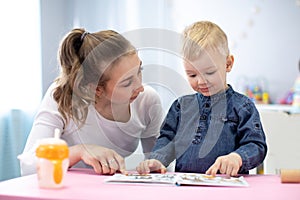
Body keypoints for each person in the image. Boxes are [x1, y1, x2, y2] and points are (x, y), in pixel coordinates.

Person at [19, 28, 164, 176]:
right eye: (127, 83)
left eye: (139, 70)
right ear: (96, 89)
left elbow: (159, 162)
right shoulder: (62, 96)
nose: (140, 87)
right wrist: (79, 151)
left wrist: (157, 164)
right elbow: (28, 166)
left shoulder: (147, 101)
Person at [136, 21, 267, 177]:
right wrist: (158, 160)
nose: (201, 81)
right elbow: (168, 139)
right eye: (192, 75)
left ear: (228, 64)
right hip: (185, 185)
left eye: (210, 72)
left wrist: (237, 157)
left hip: (227, 186)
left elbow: (256, 145)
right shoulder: (181, 106)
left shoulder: (243, 106)